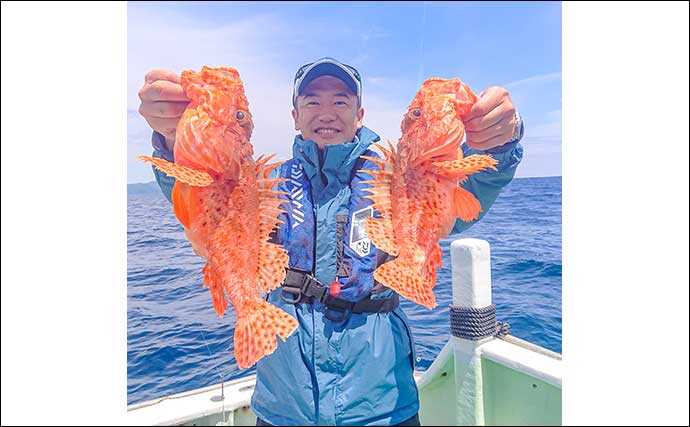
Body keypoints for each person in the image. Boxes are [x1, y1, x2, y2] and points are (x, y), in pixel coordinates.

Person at [138, 57, 524, 426]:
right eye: (312, 101)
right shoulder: (261, 183)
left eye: (341, 101)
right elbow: (201, 204)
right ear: (295, 116)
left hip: (382, 405)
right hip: (283, 406)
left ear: (360, 115)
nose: (327, 112)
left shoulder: (394, 177)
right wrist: (171, 138)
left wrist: (500, 142)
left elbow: (464, 187)